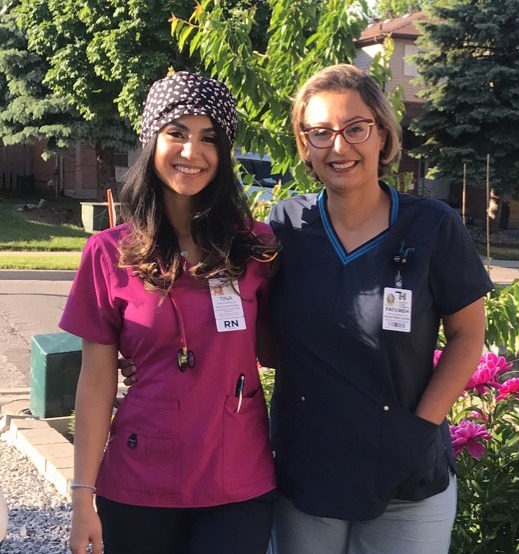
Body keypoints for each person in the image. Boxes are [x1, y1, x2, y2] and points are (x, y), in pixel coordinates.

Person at [265, 63, 494, 554]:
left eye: (355, 128)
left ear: (383, 135)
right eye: (321, 133)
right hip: (309, 467)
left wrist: (418, 430)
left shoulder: (432, 226)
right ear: (305, 145)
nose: (339, 146)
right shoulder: (285, 228)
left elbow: (468, 336)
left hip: (407, 471)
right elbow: (256, 332)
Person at [60, 71, 277, 554]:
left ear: (224, 154)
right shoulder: (107, 253)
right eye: (176, 132)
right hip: (139, 482)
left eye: (208, 138)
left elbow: (281, 347)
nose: (191, 152)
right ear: (151, 139)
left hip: (237, 481)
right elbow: (95, 383)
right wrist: (81, 498)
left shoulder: (256, 246)